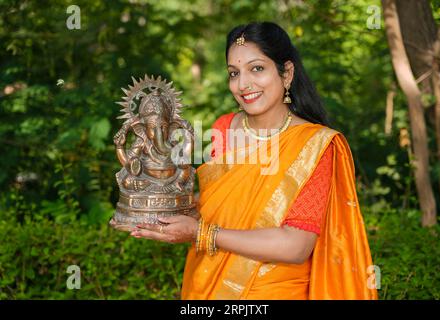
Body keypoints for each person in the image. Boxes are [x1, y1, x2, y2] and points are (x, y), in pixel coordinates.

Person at [129, 22, 378, 300]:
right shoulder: (223, 128)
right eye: (234, 73)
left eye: (257, 68)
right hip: (208, 287)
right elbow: (218, 207)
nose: (243, 84)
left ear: (287, 74)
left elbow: (296, 246)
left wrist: (202, 233)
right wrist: (164, 206)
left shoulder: (315, 145)